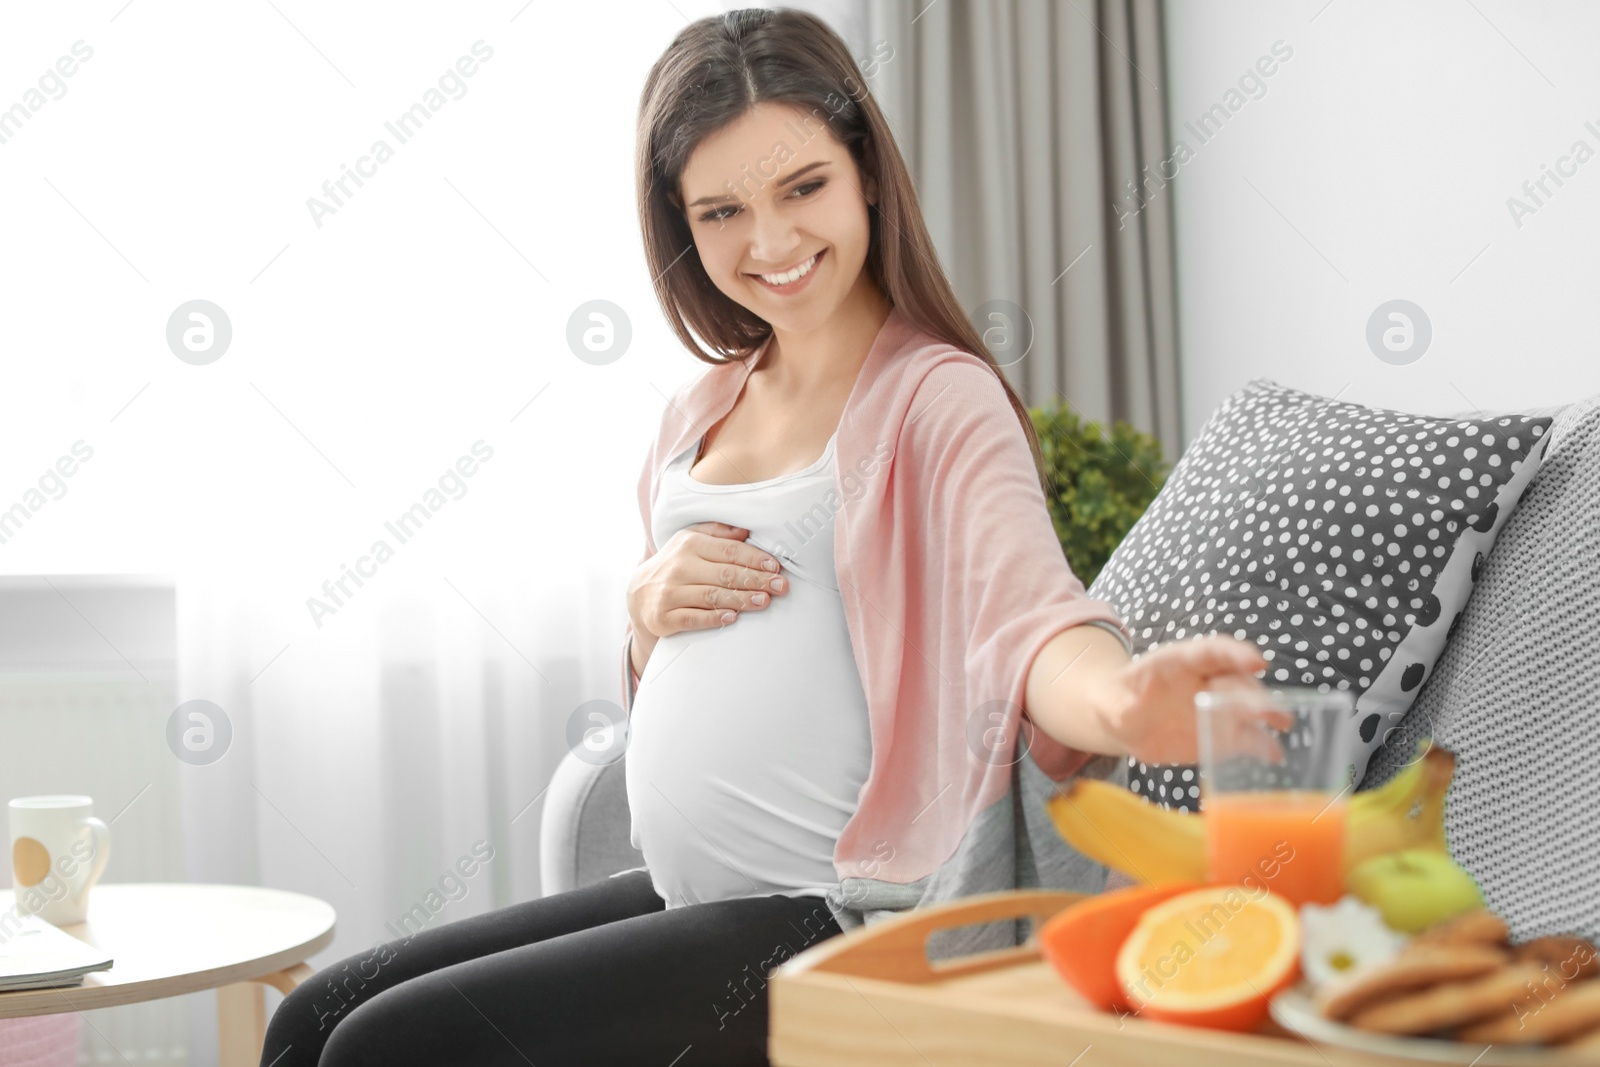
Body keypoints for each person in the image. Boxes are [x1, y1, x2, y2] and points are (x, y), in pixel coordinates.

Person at [259, 8, 1268, 1066]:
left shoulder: (937, 398)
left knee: (388, 1047)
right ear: (679, 225)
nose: (772, 242)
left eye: (803, 188)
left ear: (866, 172)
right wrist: (644, 619)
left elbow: (1030, 615)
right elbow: (693, 661)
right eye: (723, 209)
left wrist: (1114, 700)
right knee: (312, 1015)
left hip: (841, 918)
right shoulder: (697, 412)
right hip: (698, 895)